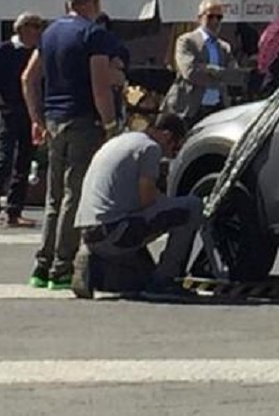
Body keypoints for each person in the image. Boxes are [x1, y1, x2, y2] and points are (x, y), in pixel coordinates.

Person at [23, 0, 123, 289]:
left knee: (54, 196)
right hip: (83, 121)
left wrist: (36, 118)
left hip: (53, 119)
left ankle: (42, 265)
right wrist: (111, 126)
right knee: (74, 194)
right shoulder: (94, 35)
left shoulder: (49, 32)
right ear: (94, 0)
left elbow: (28, 78)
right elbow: (100, 86)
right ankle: (61, 267)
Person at [72, 112, 200, 298]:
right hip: (114, 232)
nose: (172, 153)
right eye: (176, 146)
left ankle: (94, 263)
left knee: (139, 280)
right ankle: (165, 279)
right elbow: (146, 199)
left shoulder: (119, 141)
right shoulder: (150, 148)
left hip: (90, 231)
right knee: (191, 207)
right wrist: (167, 200)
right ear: (167, 135)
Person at [0, 13, 44, 231]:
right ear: (22, 28)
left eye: (39, 26)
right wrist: (2, 106)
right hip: (10, 110)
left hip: (31, 112)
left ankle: (15, 211)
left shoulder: (38, 52)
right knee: (3, 160)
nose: (37, 30)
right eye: (33, 26)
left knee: (24, 162)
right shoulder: (7, 50)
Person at [163, 0, 235, 124]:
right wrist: (219, 77)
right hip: (190, 109)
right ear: (199, 18)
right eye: (210, 16)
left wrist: (207, 69)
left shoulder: (224, 47)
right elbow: (190, 72)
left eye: (219, 17)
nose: (215, 21)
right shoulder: (186, 41)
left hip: (217, 109)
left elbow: (232, 75)